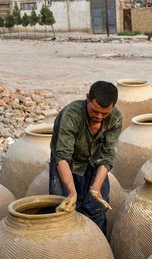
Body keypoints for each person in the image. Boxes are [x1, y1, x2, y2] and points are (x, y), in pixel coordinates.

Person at [49, 81, 122, 234]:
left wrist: (96, 188)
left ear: (113, 107)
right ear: (88, 98)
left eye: (105, 113)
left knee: (96, 209)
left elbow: (107, 156)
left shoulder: (115, 118)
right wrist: (71, 191)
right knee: (65, 210)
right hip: (68, 163)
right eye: (95, 111)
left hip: (94, 162)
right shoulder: (72, 115)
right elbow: (62, 157)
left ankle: (97, 249)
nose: (99, 116)